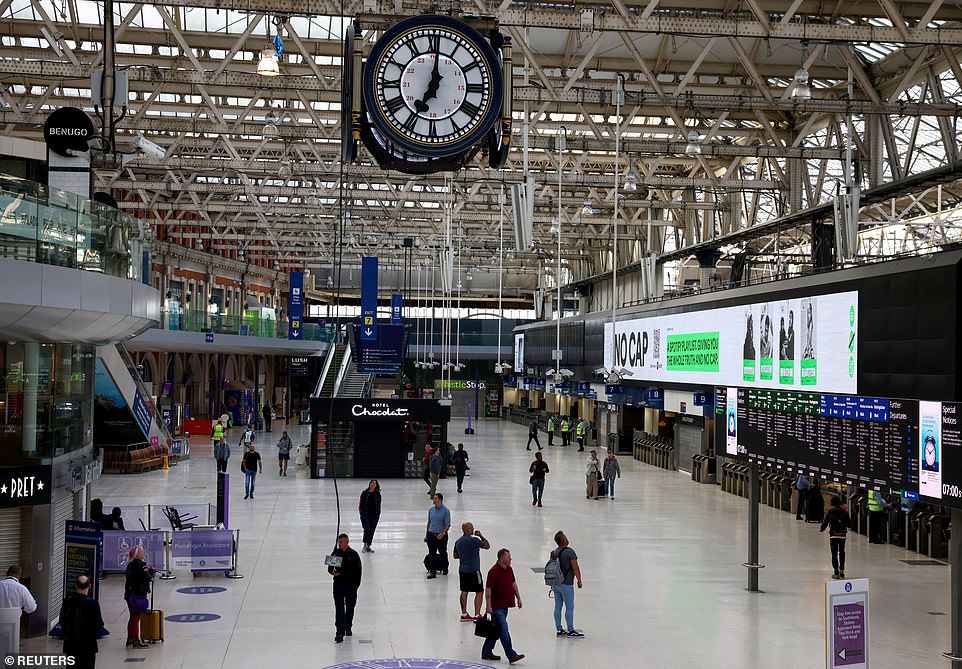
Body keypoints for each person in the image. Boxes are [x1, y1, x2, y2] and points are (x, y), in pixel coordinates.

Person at [482, 548, 524, 664]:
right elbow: (488, 589)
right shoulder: (493, 571)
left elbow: (513, 584)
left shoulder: (509, 569)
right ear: (501, 558)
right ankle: (511, 655)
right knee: (504, 629)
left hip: (505, 606)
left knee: (496, 629)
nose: (510, 558)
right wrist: (488, 605)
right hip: (496, 607)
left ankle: (486, 652)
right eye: (508, 557)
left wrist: (519, 598)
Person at [61, 575, 104, 669]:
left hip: (71, 644)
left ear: (76, 586)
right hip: (88, 645)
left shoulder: (67, 602)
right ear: (90, 586)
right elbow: (99, 624)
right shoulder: (92, 603)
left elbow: (62, 621)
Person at [327, 533, 362, 643]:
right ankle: (339, 632)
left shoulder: (353, 555)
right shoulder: (336, 554)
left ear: (347, 542)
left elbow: (358, 572)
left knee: (350, 606)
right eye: (339, 542)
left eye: (341, 542)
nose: (339, 544)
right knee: (339, 608)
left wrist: (355, 586)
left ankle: (348, 626)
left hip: (351, 586)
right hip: (338, 585)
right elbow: (330, 568)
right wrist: (332, 572)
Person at [550, 531, 583, 637]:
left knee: (558, 606)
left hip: (556, 583)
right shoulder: (570, 552)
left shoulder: (554, 552)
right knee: (569, 607)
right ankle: (570, 629)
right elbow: (575, 567)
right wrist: (579, 580)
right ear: (564, 539)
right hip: (567, 584)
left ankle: (559, 629)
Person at [454, 522, 490, 621]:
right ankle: (477, 614)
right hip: (474, 570)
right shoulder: (474, 540)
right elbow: (487, 546)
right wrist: (481, 536)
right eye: (472, 528)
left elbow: (455, 556)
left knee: (464, 591)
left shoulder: (458, 542)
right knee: (479, 591)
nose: (473, 529)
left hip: (462, 570)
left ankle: (464, 614)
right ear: (469, 530)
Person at [123, 545, 155, 648]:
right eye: (142, 552)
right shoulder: (142, 565)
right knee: (136, 618)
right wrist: (151, 572)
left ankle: (130, 638)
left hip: (129, 594)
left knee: (132, 617)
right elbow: (148, 577)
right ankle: (136, 640)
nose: (143, 553)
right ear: (138, 554)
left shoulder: (130, 565)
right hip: (138, 595)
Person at [820, 495, 852, 580]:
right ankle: (842, 570)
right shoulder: (845, 512)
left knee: (834, 554)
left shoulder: (830, 512)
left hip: (833, 535)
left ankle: (836, 572)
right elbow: (849, 524)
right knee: (842, 552)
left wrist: (822, 529)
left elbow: (825, 523)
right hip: (842, 535)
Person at [425, 492, 451, 579]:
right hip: (431, 535)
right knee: (432, 553)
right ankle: (433, 571)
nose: (433, 500)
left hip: (441, 536)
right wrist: (427, 534)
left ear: (440, 499)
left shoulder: (446, 511)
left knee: (443, 552)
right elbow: (429, 522)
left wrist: (443, 533)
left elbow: (447, 524)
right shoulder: (431, 510)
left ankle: (445, 566)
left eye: (435, 498)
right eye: (433, 498)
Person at [358, 479, 381, 553]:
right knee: (367, 529)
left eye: (374, 483)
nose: (372, 484)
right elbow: (360, 503)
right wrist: (361, 513)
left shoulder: (377, 494)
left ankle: (368, 546)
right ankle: (365, 545)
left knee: (372, 530)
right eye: (371, 483)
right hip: (365, 515)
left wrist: (378, 514)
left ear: (376, 485)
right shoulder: (364, 493)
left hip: (375, 516)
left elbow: (379, 504)